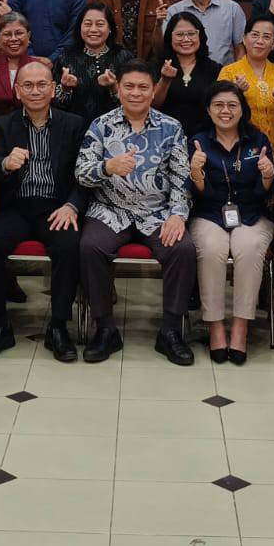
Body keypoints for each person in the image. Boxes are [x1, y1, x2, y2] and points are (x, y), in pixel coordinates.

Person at [75, 61, 197, 366]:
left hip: (157, 211)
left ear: (154, 91)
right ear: (118, 89)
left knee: (182, 248)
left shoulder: (171, 127)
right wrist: (107, 167)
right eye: (129, 86)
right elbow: (81, 173)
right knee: (90, 247)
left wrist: (177, 215)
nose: (136, 93)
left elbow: (181, 177)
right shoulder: (100, 125)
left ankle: (170, 330)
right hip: (109, 209)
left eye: (143, 87)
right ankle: (105, 329)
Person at [0, 60, 87, 362]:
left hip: (56, 206)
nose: (35, 91)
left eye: (41, 85)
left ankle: (58, 327)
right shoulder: (2, 124)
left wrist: (72, 206)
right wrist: (4, 163)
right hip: (15, 206)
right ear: (17, 90)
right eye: (28, 85)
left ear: (53, 89)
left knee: (69, 245)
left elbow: (85, 173)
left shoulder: (74, 124)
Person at [188, 81, 274, 365]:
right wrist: (196, 173)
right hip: (208, 213)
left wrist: (268, 175)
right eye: (218, 105)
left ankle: (240, 328)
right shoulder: (198, 141)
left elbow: (266, 192)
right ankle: (215, 328)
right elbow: (196, 193)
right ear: (208, 110)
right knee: (211, 248)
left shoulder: (258, 140)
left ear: (242, 109)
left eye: (232, 105)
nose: (225, 111)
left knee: (248, 248)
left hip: (252, 213)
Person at [220, 15, 274, 147]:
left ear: (273, 44)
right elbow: (219, 113)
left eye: (266, 37)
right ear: (244, 39)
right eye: (255, 35)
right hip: (241, 147)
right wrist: (236, 92)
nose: (260, 41)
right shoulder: (229, 72)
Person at [53, 2, 135, 124]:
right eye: (87, 24)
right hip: (75, 128)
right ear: (80, 27)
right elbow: (55, 105)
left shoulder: (124, 57)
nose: (93, 29)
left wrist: (114, 88)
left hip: (115, 127)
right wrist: (65, 89)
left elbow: (134, 101)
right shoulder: (66, 57)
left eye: (100, 24)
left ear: (110, 28)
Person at [153, 12, 222, 136]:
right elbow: (153, 104)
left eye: (191, 34)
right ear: (169, 37)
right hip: (164, 136)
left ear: (200, 36)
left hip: (204, 138)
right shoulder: (158, 66)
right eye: (179, 34)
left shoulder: (215, 69)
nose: (186, 39)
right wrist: (165, 80)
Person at [0, 12, 50, 117]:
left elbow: (49, 101)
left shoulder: (39, 67)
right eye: (7, 34)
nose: (14, 39)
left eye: (19, 33)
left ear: (28, 36)